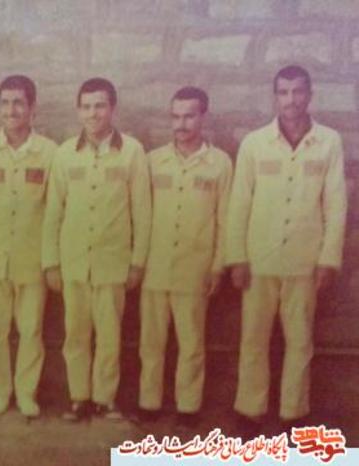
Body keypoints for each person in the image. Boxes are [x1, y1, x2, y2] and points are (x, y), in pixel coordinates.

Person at [226, 65, 347, 436]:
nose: (291, 100)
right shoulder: (254, 143)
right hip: (259, 259)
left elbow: (336, 204)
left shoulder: (328, 142)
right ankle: (250, 409)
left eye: (297, 92)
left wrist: (328, 259)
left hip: (304, 261)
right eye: (283, 92)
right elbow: (239, 203)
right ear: (275, 96)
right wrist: (236, 257)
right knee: (253, 338)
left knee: (300, 340)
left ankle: (295, 413)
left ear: (309, 95)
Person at [42, 77, 151, 421]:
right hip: (74, 262)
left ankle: (105, 399)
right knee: (75, 335)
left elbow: (142, 211)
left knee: (109, 336)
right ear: (78, 111)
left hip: (112, 262)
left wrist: (137, 262)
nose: (93, 113)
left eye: (100, 105)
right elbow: (53, 211)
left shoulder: (132, 152)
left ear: (112, 108)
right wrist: (51, 263)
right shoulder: (64, 154)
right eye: (86, 106)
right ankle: (79, 398)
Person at [136, 87, 233, 428]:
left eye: (189, 116)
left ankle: (188, 406)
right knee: (151, 341)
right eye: (175, 116)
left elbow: (225, 220)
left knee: (191, 342)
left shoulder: (220, 164)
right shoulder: (152, 161)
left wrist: (218, 266)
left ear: (203, 117)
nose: (181, 123)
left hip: (195, 268)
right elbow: (139, 214)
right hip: (155, 266)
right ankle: (148, 402)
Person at [0, 75, 57, 418]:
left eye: (18, 102)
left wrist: (50, 261)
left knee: (31, 330)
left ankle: (26, 393)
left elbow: (54, 210)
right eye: (5, 103)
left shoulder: (49, 153)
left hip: (32, 259)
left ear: (32, 107)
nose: (11, 110)